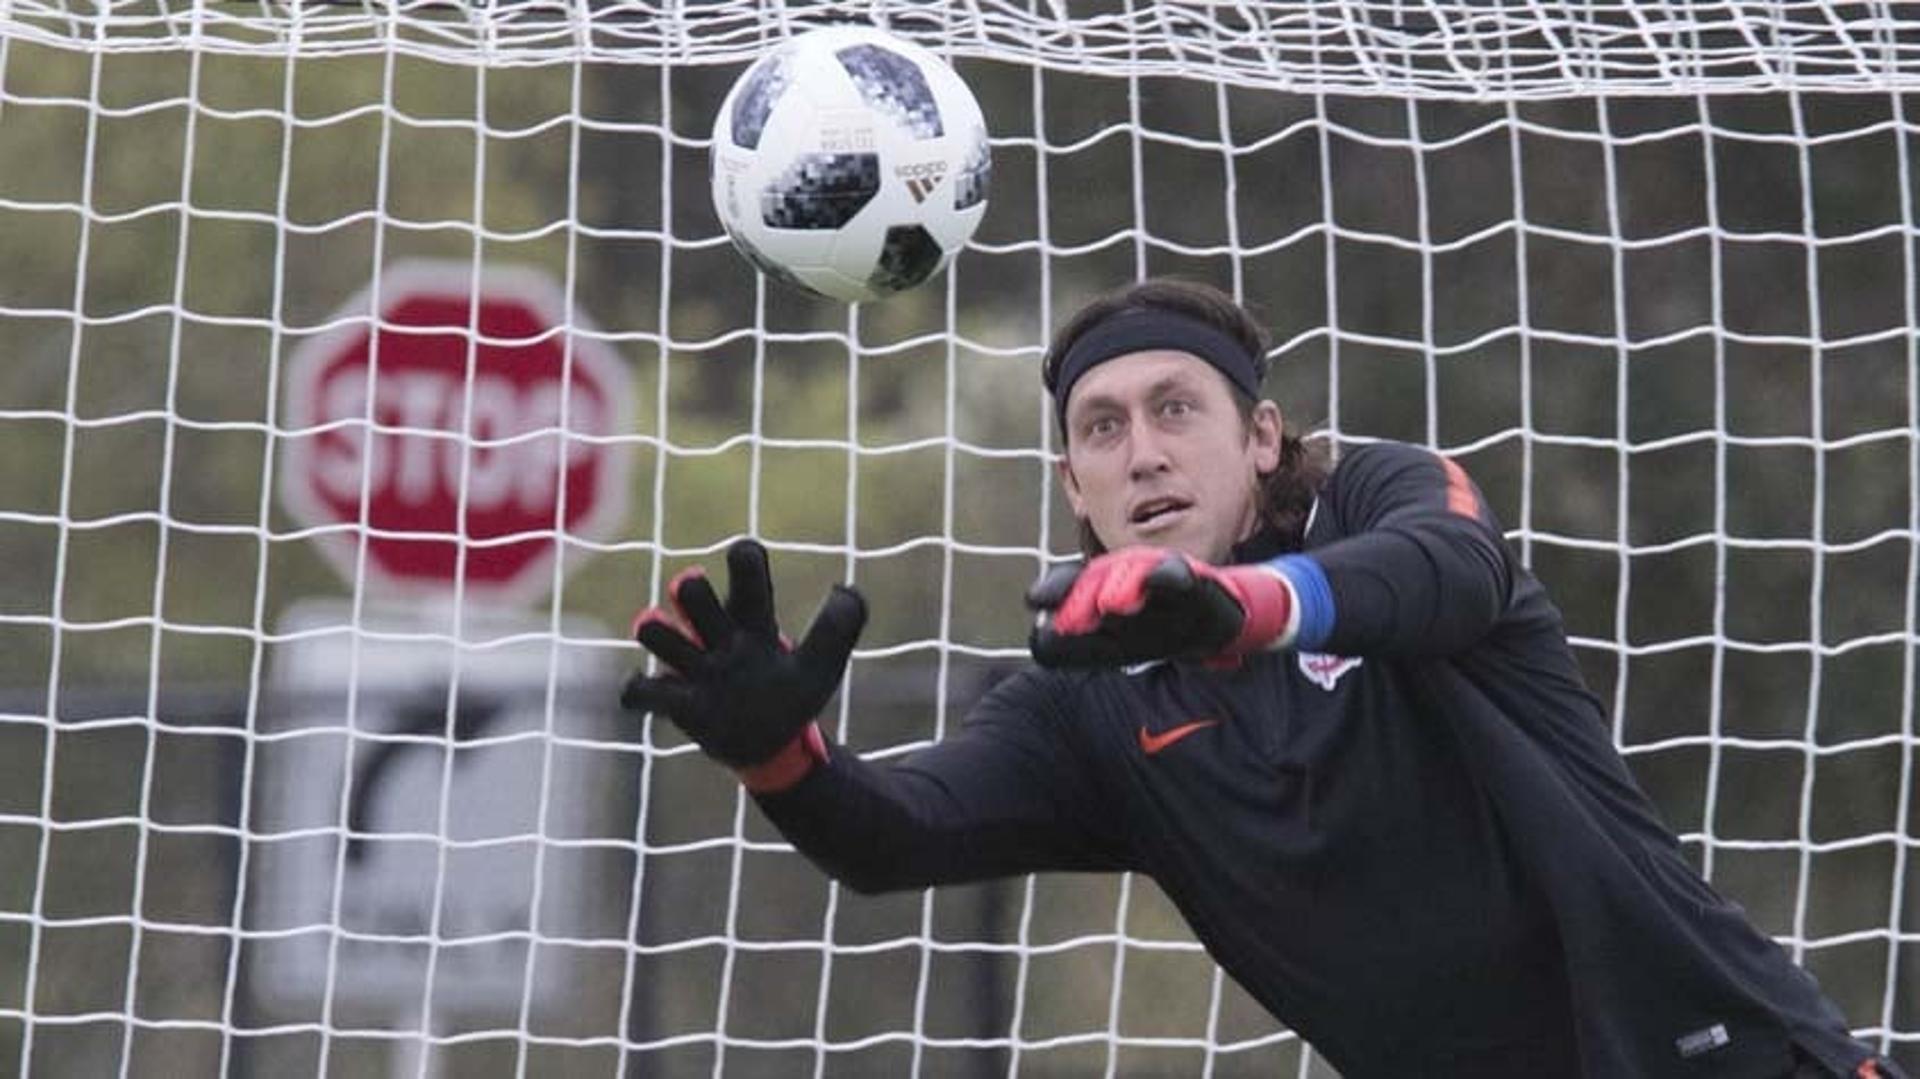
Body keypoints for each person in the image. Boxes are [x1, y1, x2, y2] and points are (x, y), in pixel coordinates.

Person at [620, 279, 1898, 1077]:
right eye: (1103, 428)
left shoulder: (1376, 502)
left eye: (1178, 407)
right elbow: (891, 832)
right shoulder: (1084, 702)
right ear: (1073, 484)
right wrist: (778, 756)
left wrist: (1235, 608)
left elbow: (1449, 565)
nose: (1144, 451)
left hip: (1722, 1056)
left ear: (1262, 436)